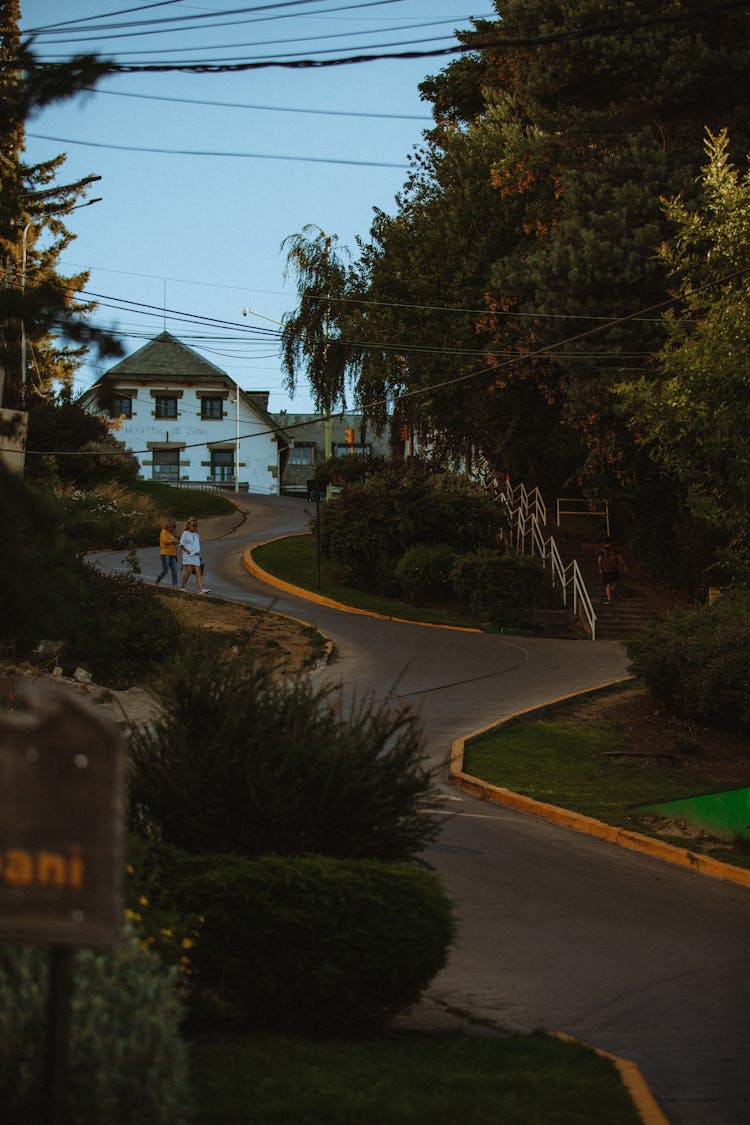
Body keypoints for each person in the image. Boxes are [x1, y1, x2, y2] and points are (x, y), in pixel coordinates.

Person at [179, 517, 209, 594]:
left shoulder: (196, 533)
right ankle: (182, 587)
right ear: (189, 525)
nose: (194, 527)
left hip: (196, 555)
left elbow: (197, 544)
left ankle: (200, 590)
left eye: (196, 525)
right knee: (188, 571)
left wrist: (200, 554)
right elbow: (181, 544)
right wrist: (186, 550)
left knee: (198, 573)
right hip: (188, 555)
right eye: (193, 525)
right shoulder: (185, 533)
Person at [598, 540, 626, 604]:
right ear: (611, 543)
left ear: (604, 543)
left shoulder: (601, 551)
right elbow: (620, 558)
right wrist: (624, 565)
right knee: (615, 581)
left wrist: (600, 568)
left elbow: (599, 560)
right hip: (614, 569)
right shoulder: (614, 550)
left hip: (605, 569)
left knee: (608, 584)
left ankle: (609, 599)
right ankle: (611, 590)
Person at [155, 518, 179, 587]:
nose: (173, 529)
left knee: (174, 570)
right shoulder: (163, 532)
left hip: (173, 554)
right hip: (165, 553)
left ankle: (175, 585)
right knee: (166, 570)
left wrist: (176, 541)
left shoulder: (172, 534)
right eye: (172, 527)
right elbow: (165, 541)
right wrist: (173, 541)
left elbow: (176, 542)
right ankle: (157, 580)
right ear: (168, 526)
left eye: (174, 527)